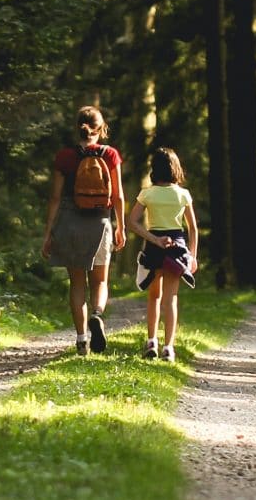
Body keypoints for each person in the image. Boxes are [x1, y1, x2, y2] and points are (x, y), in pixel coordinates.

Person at [41, 105, 126, 353]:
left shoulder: (65, 157)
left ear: (77, 127)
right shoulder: (110, 155)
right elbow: (118, 195)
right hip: (100, 221)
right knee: (100, 281)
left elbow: (55, 198)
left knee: (77, 284)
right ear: (102, 128)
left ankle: (81, 340)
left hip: (70, 222)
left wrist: (49, 233)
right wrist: (120, 226)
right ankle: (97, 315)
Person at [129, 147, 198, 361]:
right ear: (175, 168)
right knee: (171, 299)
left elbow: (131, 222)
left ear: (154, 169)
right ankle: (169, 347)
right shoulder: (183, 194)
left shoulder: (147, 194)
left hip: (153, 246)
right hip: (177, 247)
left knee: (154, 296)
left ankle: (152, 342)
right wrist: (193, 256)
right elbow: (193, 228)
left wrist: (154, 239)